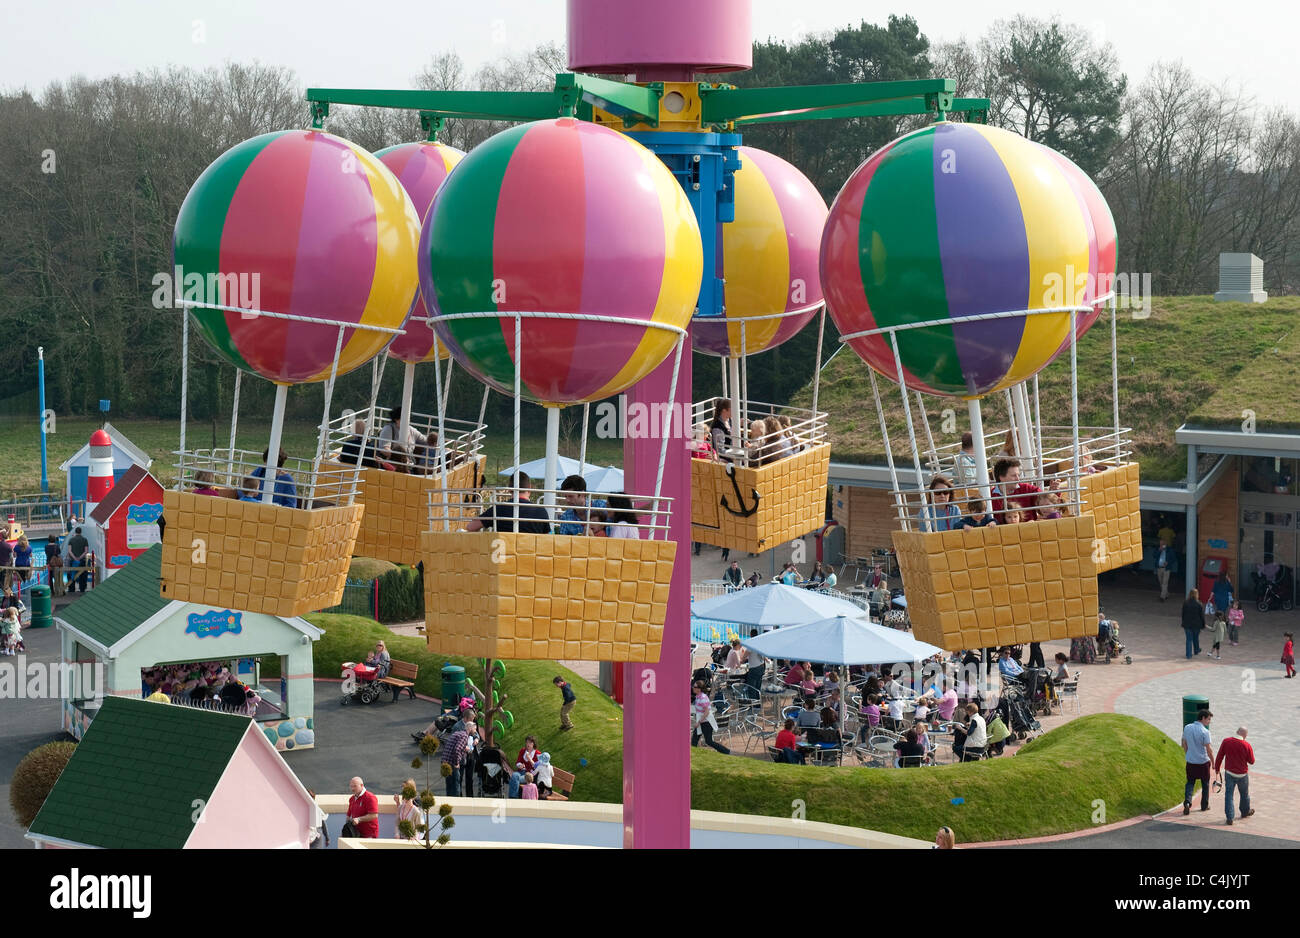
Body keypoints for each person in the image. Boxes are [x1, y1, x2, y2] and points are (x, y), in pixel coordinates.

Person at [467, 473, 552, 534]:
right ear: (529, 487)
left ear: (509, 489)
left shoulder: (499, 509)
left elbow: (471, 527)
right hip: (531, 556)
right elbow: (548, 539)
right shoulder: (541, 511)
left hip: (504, 554)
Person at [1181, 709, 1214, 814]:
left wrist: (1188, 754)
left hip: (1191, 762)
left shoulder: (1187, 728)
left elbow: (1184, 743)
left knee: (1190, 782)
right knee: (1205, 784)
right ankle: (1204, 806)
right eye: (1208, 719)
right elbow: (1209, 750)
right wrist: (1213, 762)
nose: (1209, 721)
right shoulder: (1205, 732)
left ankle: (1187, 802)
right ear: (1203, 718)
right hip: (1203, 763)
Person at [990, 458, 1041, 523]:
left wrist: (1054, 491)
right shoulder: (990, 496)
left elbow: (1046, 501)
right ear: (1001, 477)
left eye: (1018, 475)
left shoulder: (1028, 489)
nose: (1018, 479)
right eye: (1014, 476)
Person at [691, 679, 731, 754]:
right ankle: (692, 755)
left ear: (699, 689)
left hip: (706, 722)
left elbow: (707, 712)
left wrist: (699, 722)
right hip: (702, 721)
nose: (693, 688)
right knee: (694, 740)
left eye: (694, 687)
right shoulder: (698, 696)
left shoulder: (702, 698)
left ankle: (726, 751)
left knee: (709, 741)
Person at [440, 716, 475, 797]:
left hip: (445, 761)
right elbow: (457, 750)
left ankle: (449, 802)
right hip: (452, 762)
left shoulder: (458, 733)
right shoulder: (464, 736)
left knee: (449, 785)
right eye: (474, 729)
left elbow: (455, 746)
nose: (475, 731)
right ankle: (456, 802)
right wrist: (456, 763)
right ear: (470, 729)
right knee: (456, 784)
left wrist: (464, 748)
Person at [1181, 589, 1204, 659]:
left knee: (1189, 639)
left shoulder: (1185, 603)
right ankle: (1196, 650)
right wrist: (1203, 624)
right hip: (1196, 624)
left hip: (1187, 624)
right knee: (1196, 638)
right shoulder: (1199, 604)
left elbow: (1183, 614)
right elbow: (1201, 616)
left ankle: (1188, 654)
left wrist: (1183, 622)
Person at [65, 526, 90, 593]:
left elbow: (69, 551)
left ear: (75, 532)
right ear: (81, 532)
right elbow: (86, 551)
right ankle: (82, 589)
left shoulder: (71, 540)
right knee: (83, 575)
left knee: (71, 574)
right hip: (82, 560)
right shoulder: (85, 540)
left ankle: (71, 589)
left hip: (73, 560)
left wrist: (75, 558)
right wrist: (80, 558)